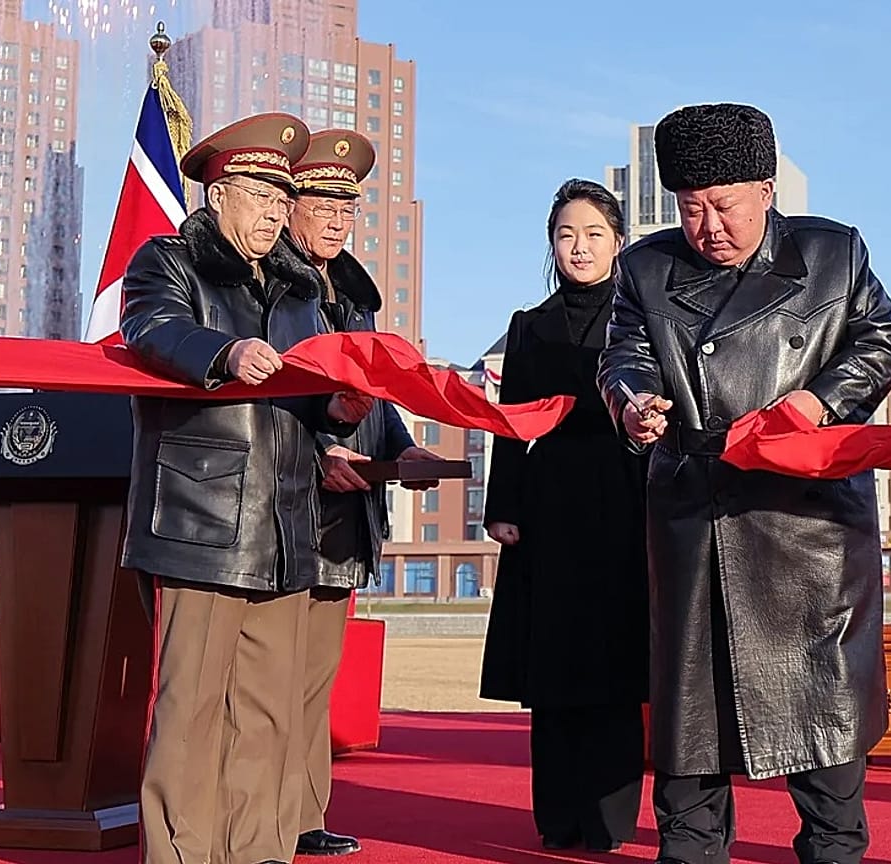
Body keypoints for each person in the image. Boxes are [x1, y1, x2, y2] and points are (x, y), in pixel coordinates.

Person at [596, 103, 891, 864]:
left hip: (807, 519)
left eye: (725, 204)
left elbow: (883, 338)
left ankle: (835, 846)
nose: (709, 225)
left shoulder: (832, 253)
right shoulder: (646, 267)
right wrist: (633, 402)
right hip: (694, 508)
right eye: (692, 207)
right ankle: (691, 846)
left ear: (766, 191)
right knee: (689, 706)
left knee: (821, 698)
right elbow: (621, 356)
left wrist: (818, 401)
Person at [119, 112, 375, 864]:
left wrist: (338, 409)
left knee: (266, 707)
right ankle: (181, 852)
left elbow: (303, 389)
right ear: (220, 193)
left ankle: (259, 849)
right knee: (192, 704)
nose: (272, 214)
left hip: (286, 519)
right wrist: (223, 350)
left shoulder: (299, 290)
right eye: (261, 196)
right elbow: (151, 328)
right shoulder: (170, 261)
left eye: (278, 200)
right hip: (203, 518)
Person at [279, 127, 442, 857]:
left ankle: (302, 815)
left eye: (349, 205)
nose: (340, 217)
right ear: (287, 207)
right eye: (323, 201)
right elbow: (268, 400)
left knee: (312, 683)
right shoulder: (273, 292)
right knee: (267, 682)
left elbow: (371, 396)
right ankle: (261, 817)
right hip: (284, 507)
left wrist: (404, 449)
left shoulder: (352, 297)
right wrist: (317, 451)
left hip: (346, 514)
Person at [478, 179, 650, 853]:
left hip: (623, 502)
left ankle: (607, 821)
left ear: (618, 243)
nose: (579, 248)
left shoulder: (642, 319)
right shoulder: (530, 324)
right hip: (547, 510)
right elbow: (508, 424)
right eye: (566, 235)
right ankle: (557, 816)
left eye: (593, 235)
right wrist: (504, 506)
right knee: (551, 671)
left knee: (614, 669)